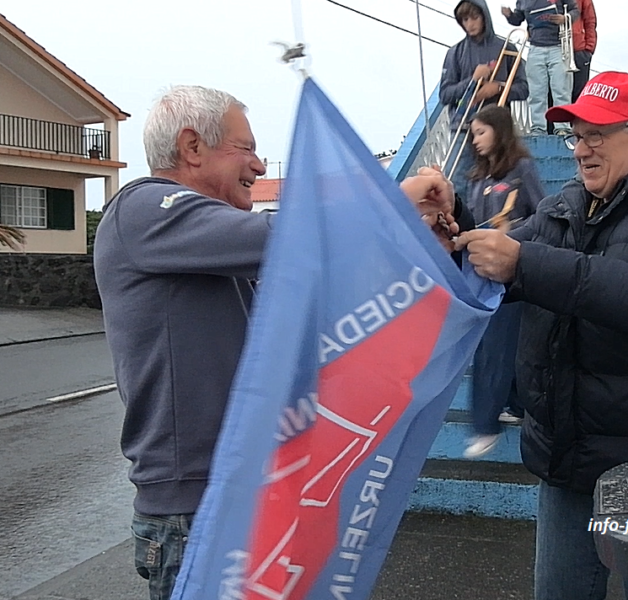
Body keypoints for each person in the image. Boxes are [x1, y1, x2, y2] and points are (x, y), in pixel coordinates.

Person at [93, 85, 459, 600]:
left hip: (248, 487)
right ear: (192, 147)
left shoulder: (212, 245)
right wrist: (397, 197)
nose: (260, 166)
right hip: (194, 507)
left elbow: (320, 288)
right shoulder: (146, 209)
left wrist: (418, 244)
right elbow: (290, 238)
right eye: (245, 148)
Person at [454, 72, 628, 600]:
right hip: (569, 462)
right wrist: (453, 231)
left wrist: (526, 264)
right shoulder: (563, 207)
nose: (581, 149)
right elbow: (497, 261)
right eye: (575, 135)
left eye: (597, 135)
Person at [462, 105, 544, 458]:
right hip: (482, 270)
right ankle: (515, 405)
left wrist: (516, 235)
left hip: (512, 268)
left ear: (500, 130)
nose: (476, 140)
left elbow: (544, 216)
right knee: (499, 344)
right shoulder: (477, 177)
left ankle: (484, 425)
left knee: (496, 346)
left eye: (482, 132)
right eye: (473, 134)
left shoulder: (521, 170)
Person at [440, 0, 529, 203]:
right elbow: (445, 94)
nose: (470, 23)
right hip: (464, 128)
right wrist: (472, 80)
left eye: (474, 17)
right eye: (465, 19)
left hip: (498, 131)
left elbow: (523, 89)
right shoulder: (455, 53)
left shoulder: (507, 47)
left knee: (499, 187)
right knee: (457, 186)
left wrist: (497, 87)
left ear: (485, 17)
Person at [501, 0, 579, 136]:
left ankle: (563, 127)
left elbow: (575, 11)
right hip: (535, 48)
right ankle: (538, 128)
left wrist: (565, 18)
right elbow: (517, 19)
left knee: (561, 89)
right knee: (536, 92)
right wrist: (509, 15)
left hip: (558, 46)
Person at [570, 0, 597, 101]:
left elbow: (590, 21)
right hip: (553, 50)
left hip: (579, 51)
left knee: (578, 96)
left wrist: (588, 49)